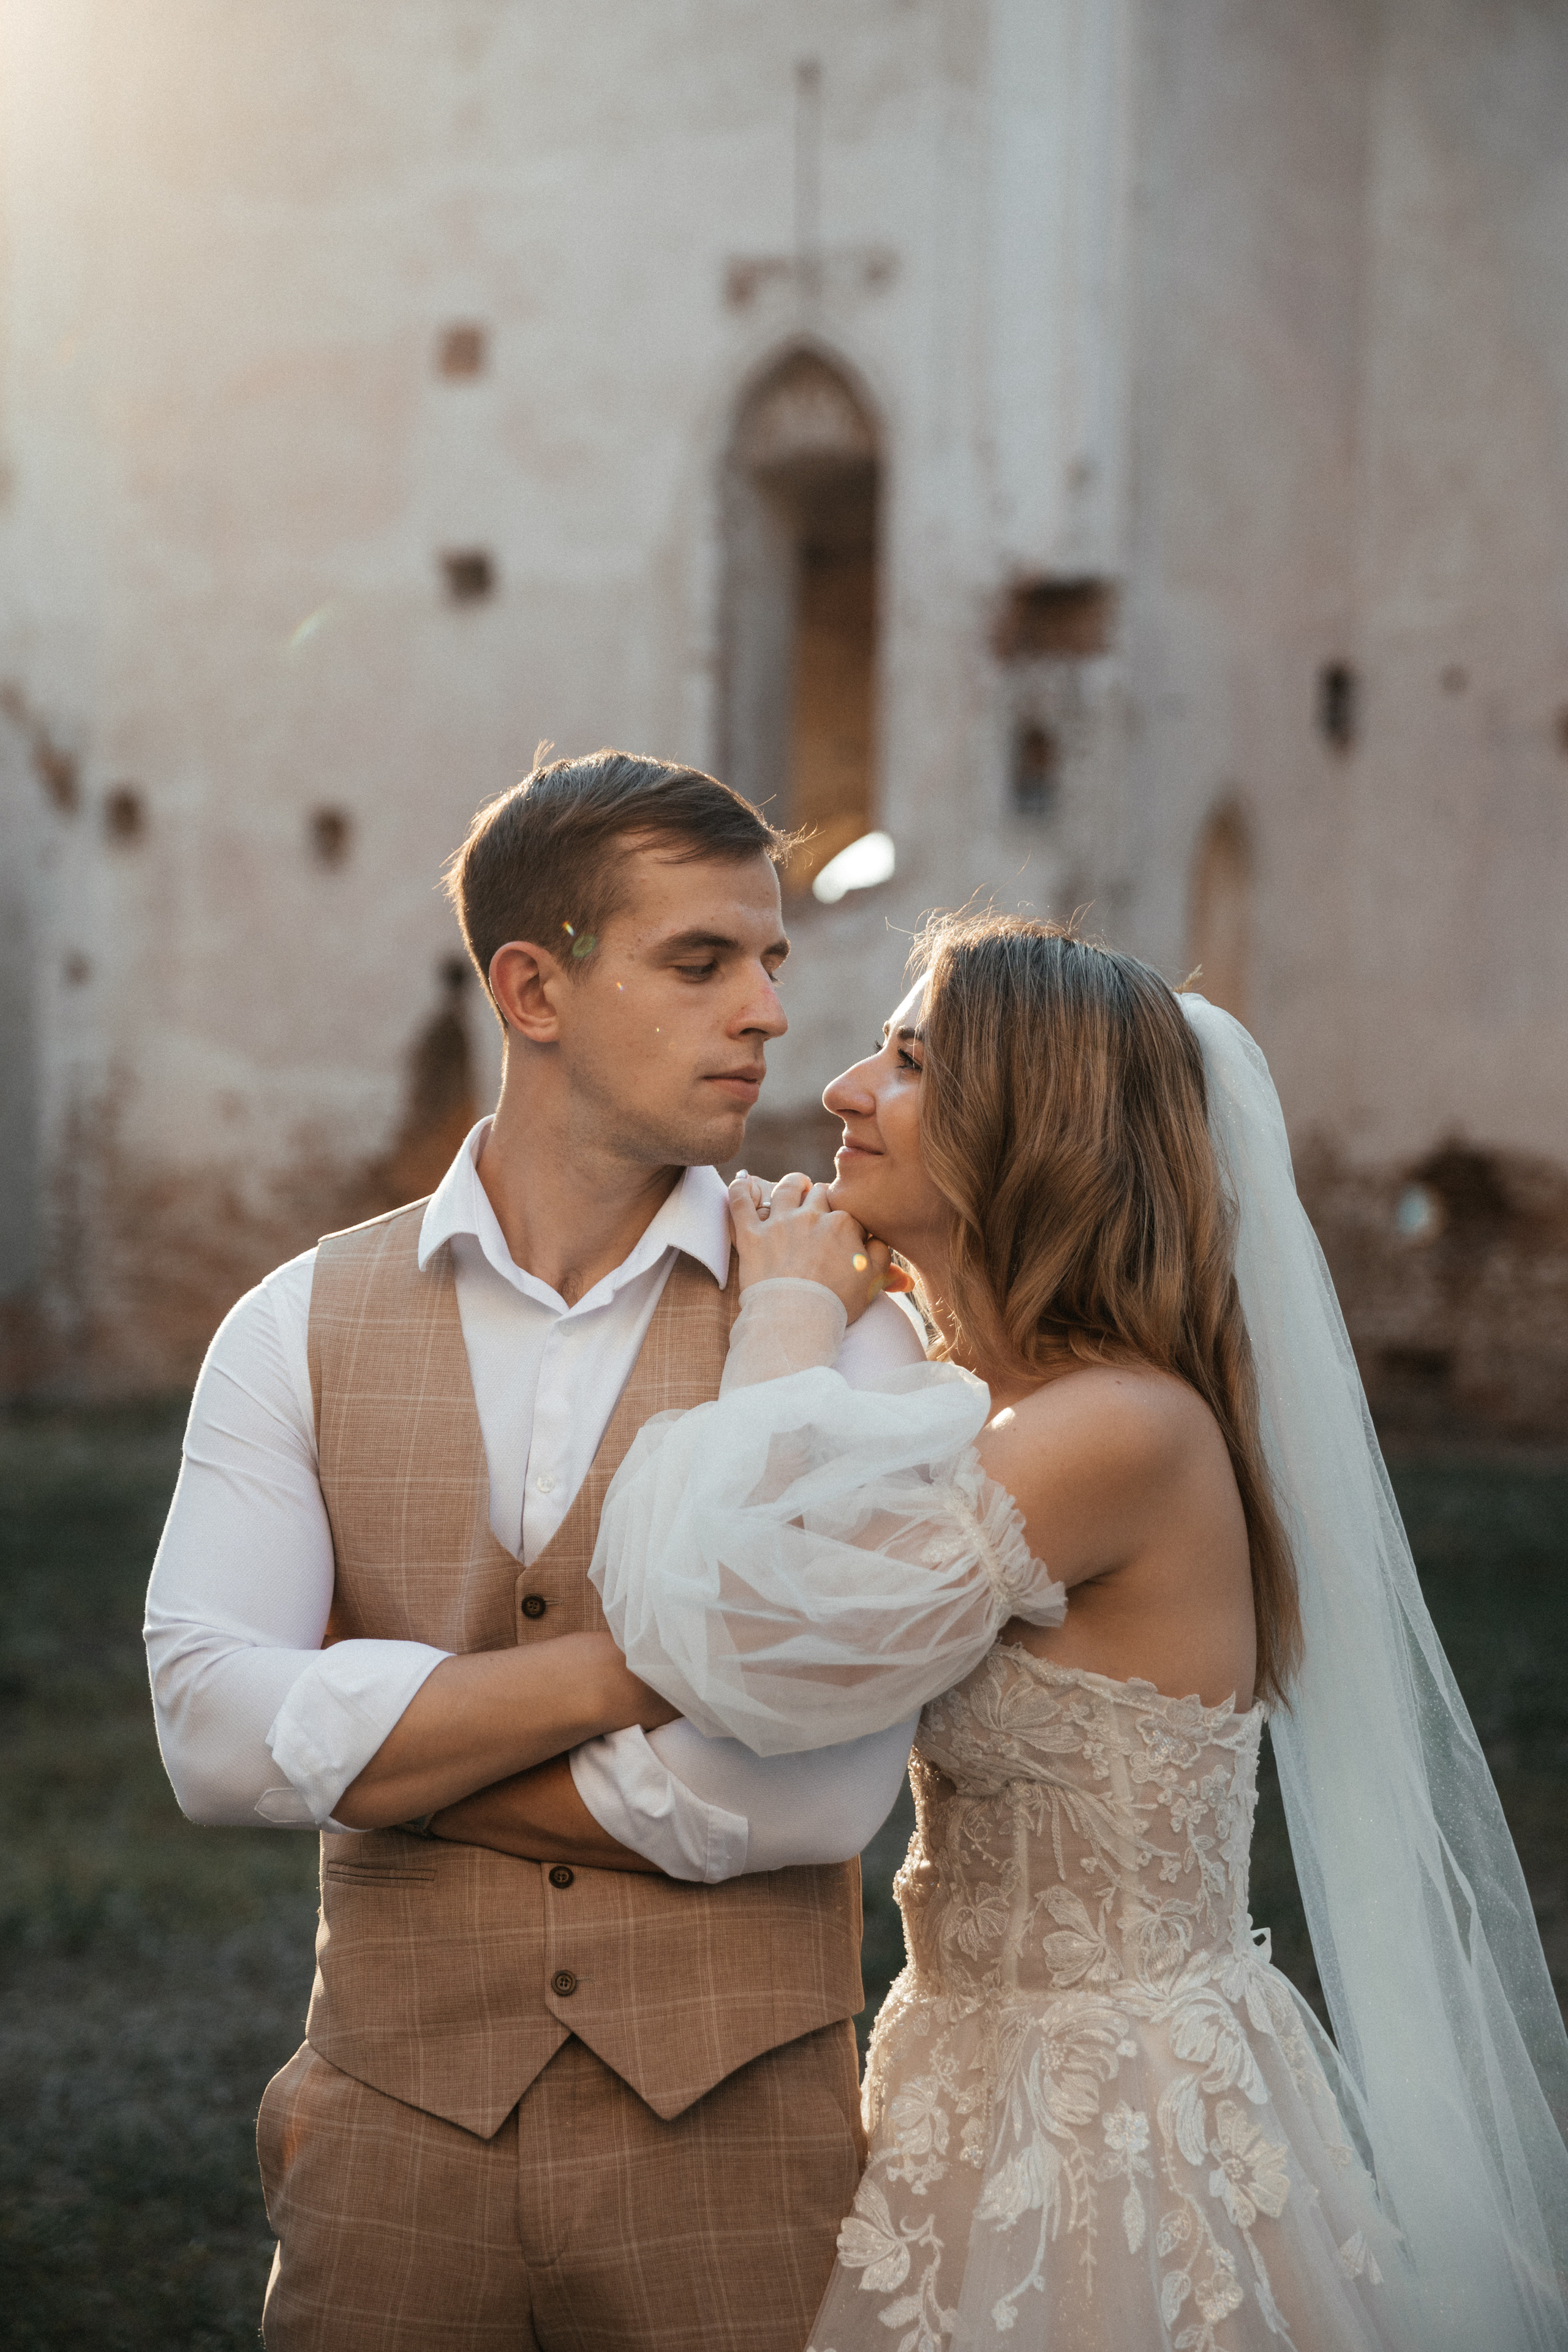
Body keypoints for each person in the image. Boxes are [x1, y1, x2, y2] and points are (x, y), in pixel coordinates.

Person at [584, 914, 1568, 2351]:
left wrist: (787, 1317)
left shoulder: (1114, 1432)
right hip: (972, 2081)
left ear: (1029, 1129)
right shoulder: (1016, 1419)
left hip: (1112, 2133)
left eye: (909, 1061)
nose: (847, 1088)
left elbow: (748, 1634)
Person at [143, 748, 932, 2352]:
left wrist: (380, 1756)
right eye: (702, 961)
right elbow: (212, 1732)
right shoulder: (293, 1324)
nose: (771, 1013)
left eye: (773, 961)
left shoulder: (845, 1329)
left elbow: (814, 1791)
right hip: (387, 2144)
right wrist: (640, 1667)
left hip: (740, 2155)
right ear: (532, 986)